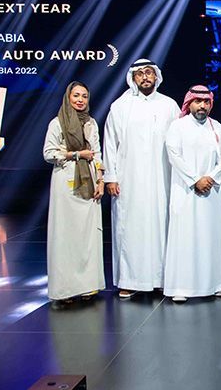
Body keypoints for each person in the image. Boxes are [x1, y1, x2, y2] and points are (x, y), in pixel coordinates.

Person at [103, 58, 179, 299]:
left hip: (163, 179)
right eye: (140, 74)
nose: (146, 77)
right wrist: (111, 177)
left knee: (162, 225)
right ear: (133, 78)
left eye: (149, 73)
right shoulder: (120, 106)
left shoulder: (169, 105)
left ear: (156, 76)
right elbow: (110, 145)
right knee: (130, 227)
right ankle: (129, 279)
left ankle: (162, 278)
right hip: (130, 179)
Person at [163, 85, 221, 303]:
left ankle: (217, 283)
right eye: (198, 101)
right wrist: (195, 180)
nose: (202, 106)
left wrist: (209, 178)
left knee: (212, 236)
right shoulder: (177, 126)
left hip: (212, 191)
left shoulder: (217, 127)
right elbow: (174, 155)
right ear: (189, 103)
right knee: (185, 238)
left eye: (206, 102)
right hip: (185, 192)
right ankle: (181, 286)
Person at [43, 81, 105, 305]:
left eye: (84, 96)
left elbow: (97, 153)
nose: (80, 100)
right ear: (68, 97)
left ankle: (87, 286)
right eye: (76, 95)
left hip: (89, 182)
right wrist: (76, 154)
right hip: (65, 182)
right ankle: (65, 290)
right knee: (66, 236)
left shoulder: (91, 123)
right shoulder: (57, 123)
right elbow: (49, 153)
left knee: (87, 235)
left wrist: (101, 180)